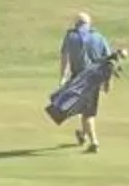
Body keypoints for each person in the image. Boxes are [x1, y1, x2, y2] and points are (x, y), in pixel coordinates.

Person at [49, 9, 122, 153]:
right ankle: (83, 134)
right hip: (94, 79)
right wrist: (108, 83)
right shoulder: (99, 38)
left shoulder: (71, 37)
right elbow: (110, 61)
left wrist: (63, 77)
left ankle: (94, 141)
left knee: (85, 113)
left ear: (77, 24)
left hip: (78, 80)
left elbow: (65, 57)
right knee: (85, 110)